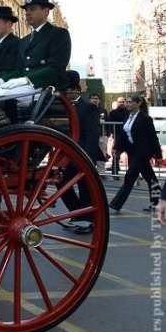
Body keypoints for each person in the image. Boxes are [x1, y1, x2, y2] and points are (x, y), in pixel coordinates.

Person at [59, 72, 103, 234]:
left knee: (85, 187)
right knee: (61, 183)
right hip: (66, 154)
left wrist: (87, 156)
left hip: (83, 153)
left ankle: (87, 220)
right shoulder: (62, 106)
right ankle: (78, 213)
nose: (67, 94)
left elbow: (92, 134)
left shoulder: (88, 107)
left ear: (76, 91)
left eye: (70, 91)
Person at [108, 94, 163, 213]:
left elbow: (153, 137)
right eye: (127, 102)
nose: (127, 104)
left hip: (143, 151)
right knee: (151, 178)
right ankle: (157, 203)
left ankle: (116, 203)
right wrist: (116, 147)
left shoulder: (145, 119)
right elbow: (122, 134)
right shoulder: (127, 116)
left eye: (130, 102)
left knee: (130, 175)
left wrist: (158, 155)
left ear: (139, 103)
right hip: (132, 151)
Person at [88, 92, 110, 173]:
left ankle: (101, 171)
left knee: (102, 153)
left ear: (99, 100)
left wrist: (108, 134)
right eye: (92, 98)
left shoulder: (103, 110)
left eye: (96, 98)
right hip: (90, 136)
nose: (94, 100)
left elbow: (108, 122)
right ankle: (91, 171)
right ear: (89, 100)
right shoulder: (87, 110)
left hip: (102, 135)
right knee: (90, 153)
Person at [108, 96, 128, 176]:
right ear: (117, 103)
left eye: (123, 102)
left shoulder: (129, 112)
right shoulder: (112, 113)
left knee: (132, 156)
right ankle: (115, 172)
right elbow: (110, 125)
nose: (121, 103)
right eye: (119, 102)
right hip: (117, 136)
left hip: (129, 137)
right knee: (116, 155)